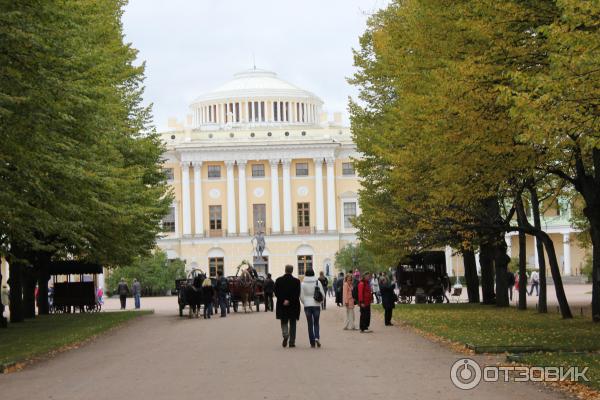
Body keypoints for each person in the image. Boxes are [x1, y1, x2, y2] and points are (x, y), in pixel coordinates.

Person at [274, 265, 301, 348]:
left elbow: (276, 293)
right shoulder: (296, 281)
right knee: (293, 323)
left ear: (285, 270)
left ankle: (285, 336)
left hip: (282, 305)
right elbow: (297, 294)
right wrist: (289, 300)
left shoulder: (278, 280)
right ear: (292, 271)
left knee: (284, 321)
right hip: (293, 305)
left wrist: (284, 300)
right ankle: (292, 342)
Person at [301, 268, 325, 348]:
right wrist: (320, 302)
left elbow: (301, 296)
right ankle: (317, 337)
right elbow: (323, 295)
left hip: (307, 305)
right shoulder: (317, 282)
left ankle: (312, 342)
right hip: (316, 305)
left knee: (310, 324)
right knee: (316, 323)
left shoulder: (303, 283)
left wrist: (305, 302)